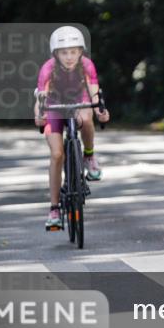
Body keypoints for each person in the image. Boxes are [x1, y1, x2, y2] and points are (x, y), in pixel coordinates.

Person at [33, 26, 110, 231]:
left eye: (73, 52)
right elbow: (41, 98)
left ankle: (89, 156)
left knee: (88, 115)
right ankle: (54, 209)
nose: (69, 57)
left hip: (79, 101)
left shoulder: (87, 65)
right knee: (57, 154)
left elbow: (94, 95)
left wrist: (101, 109)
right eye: (64, 52)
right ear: (56, 54)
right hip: (54, 106)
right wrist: (39, 115)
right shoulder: (48, 68)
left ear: (80, 52)